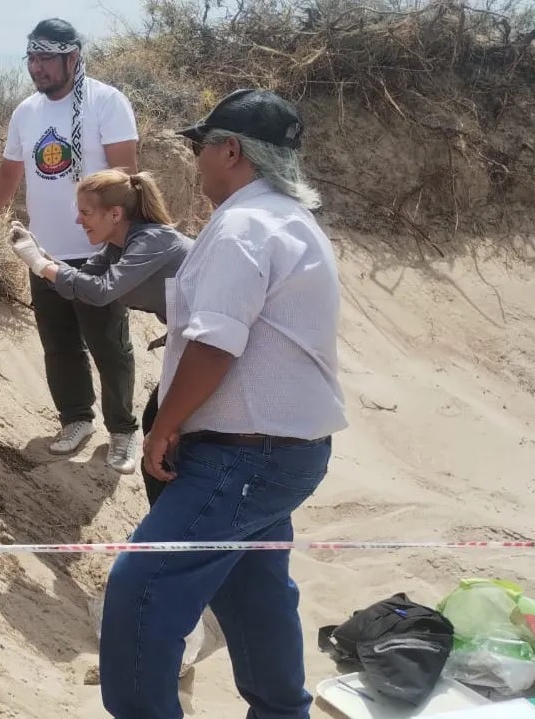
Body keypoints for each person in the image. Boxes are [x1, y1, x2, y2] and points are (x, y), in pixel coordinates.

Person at [97, 88, 347, 719]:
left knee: (140, 592)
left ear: (230, 150)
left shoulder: (242, 225)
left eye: (199, 146)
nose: (195, 159)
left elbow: (216, 344)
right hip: (281, 454)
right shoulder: (289, 220)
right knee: (254, 593)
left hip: (242, 456)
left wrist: (165, 427)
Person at [0, 18, 143, 473]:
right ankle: (76, 419)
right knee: (59, 345)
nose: (36, 68)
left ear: (72, 58)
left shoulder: (107, 103)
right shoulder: (26, 113)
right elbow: (7, 177)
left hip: (99, 254)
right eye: (32, 59)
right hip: (44, 253)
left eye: (45, 59)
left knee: (109, 346)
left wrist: (126, 240)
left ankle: (123, 431)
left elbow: (128, 179)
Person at [8, 168, 190, 501]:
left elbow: (100, 291)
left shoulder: (152, 241)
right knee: (160, 423)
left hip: (220, 344)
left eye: (86, 213)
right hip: (192, 340)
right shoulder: (116, 248)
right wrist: (42, 255)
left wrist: (38, 263)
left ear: (116, 213)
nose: (79, 221)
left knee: (168, 430)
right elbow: (79, 282)